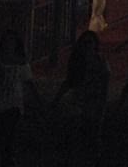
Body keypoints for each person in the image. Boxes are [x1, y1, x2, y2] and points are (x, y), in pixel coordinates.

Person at [54, 31, 110, 166]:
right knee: (76, 132)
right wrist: (57, 99)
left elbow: (105, 83)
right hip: (79, 100)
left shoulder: (101, 61)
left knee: (93, 134)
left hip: (94, 101)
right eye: (85, 43)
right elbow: (69, 81)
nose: (87, 46)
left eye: (90, 43)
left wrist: (102, 103)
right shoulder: (77, 61)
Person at [0, 30, 40, 167]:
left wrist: (38, 101)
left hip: (13, 104)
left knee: (8, 135)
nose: (9, 44)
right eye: (7, 41)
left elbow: (29, 83)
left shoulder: (21, 64)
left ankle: (8, 160)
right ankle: (5, 159)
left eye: (12, 41)